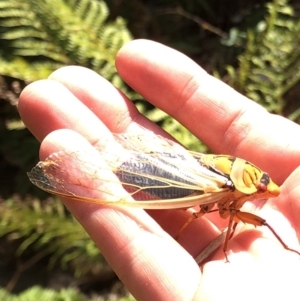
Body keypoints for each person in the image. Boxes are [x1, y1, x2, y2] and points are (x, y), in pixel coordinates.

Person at [19, 40, 300, 301]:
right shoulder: (229, 190)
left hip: (177, 167)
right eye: (262, 187)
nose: (269, 190)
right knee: (212, 207)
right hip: (174, 181)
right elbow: (224, 213)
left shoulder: (239, 190)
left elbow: (228, 214)